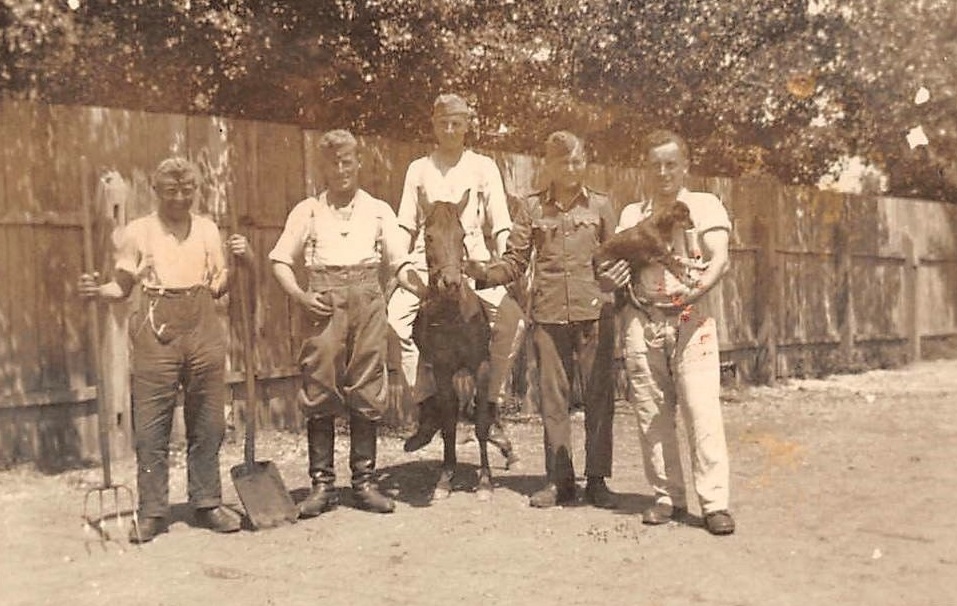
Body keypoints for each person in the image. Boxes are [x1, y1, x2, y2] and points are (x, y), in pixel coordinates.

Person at [78, 157, 250, 543]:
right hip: (155, 330)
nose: (179, 198)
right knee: (151, 426)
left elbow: (219, 286)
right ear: (156, 191)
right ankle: (152, 510)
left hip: (203, 328)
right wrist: (96, 291)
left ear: (195, 191)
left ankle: (207, 502)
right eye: (171, 191)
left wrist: (239, 263)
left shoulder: (207, 229)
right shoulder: (138, 232)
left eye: (187, 190)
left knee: (209, 423)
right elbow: (121, 288)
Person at [465, 131, 630, 508]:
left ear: (585, 163)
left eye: (577, 161)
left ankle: (598, 481)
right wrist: (483, 273)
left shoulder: (601, 206)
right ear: (550, 165)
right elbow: (515, 261)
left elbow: (617, 258)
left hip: (594, 314)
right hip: (549, 315)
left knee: (599, 399)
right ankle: (559, 481)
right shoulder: (532, 208)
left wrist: (614, 289)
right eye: (563, 162)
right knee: (553, 400)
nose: (571, 168)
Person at [269, 129, 419, 517]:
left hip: (368, 298)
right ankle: (321, 486)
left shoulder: (379, 210)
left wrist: (418, 284)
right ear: (323, 168)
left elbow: (399, 262)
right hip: (324, 300)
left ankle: (364, 483)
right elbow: (280, 260)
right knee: (319, 385)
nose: (340, 170)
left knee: (367, 386)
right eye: (333, 164)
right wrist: (301, 296)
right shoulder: (308, 210)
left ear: (358, 163)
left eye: (347, 162)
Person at [388, 93, 524, 462]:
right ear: (433, 125)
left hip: (474, 262)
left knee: (512, 322)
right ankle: (428, 405)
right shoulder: (419, 169)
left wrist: (506, 266)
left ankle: (489, 406)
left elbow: (500, 222)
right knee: (395, 322)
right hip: (428, 264)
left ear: (467, 126)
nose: (450, 130)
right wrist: (400, 265)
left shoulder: (483, 167)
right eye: (443, 123)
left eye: (457, 123)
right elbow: (404, 224)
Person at [615, 129, 736, 535]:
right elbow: (617, 267)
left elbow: (720, 259)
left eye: (671, 164)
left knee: (702, 411)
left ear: (685, 166)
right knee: (651, 413)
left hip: (691, 317)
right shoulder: (633, 215)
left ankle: (714, 503)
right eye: (656, 165)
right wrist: (613, 279)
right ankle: (667, 497)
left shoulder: (704, 205)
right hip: (643, 316)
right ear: (646, 169)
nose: (663, 172)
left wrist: (694, 292)